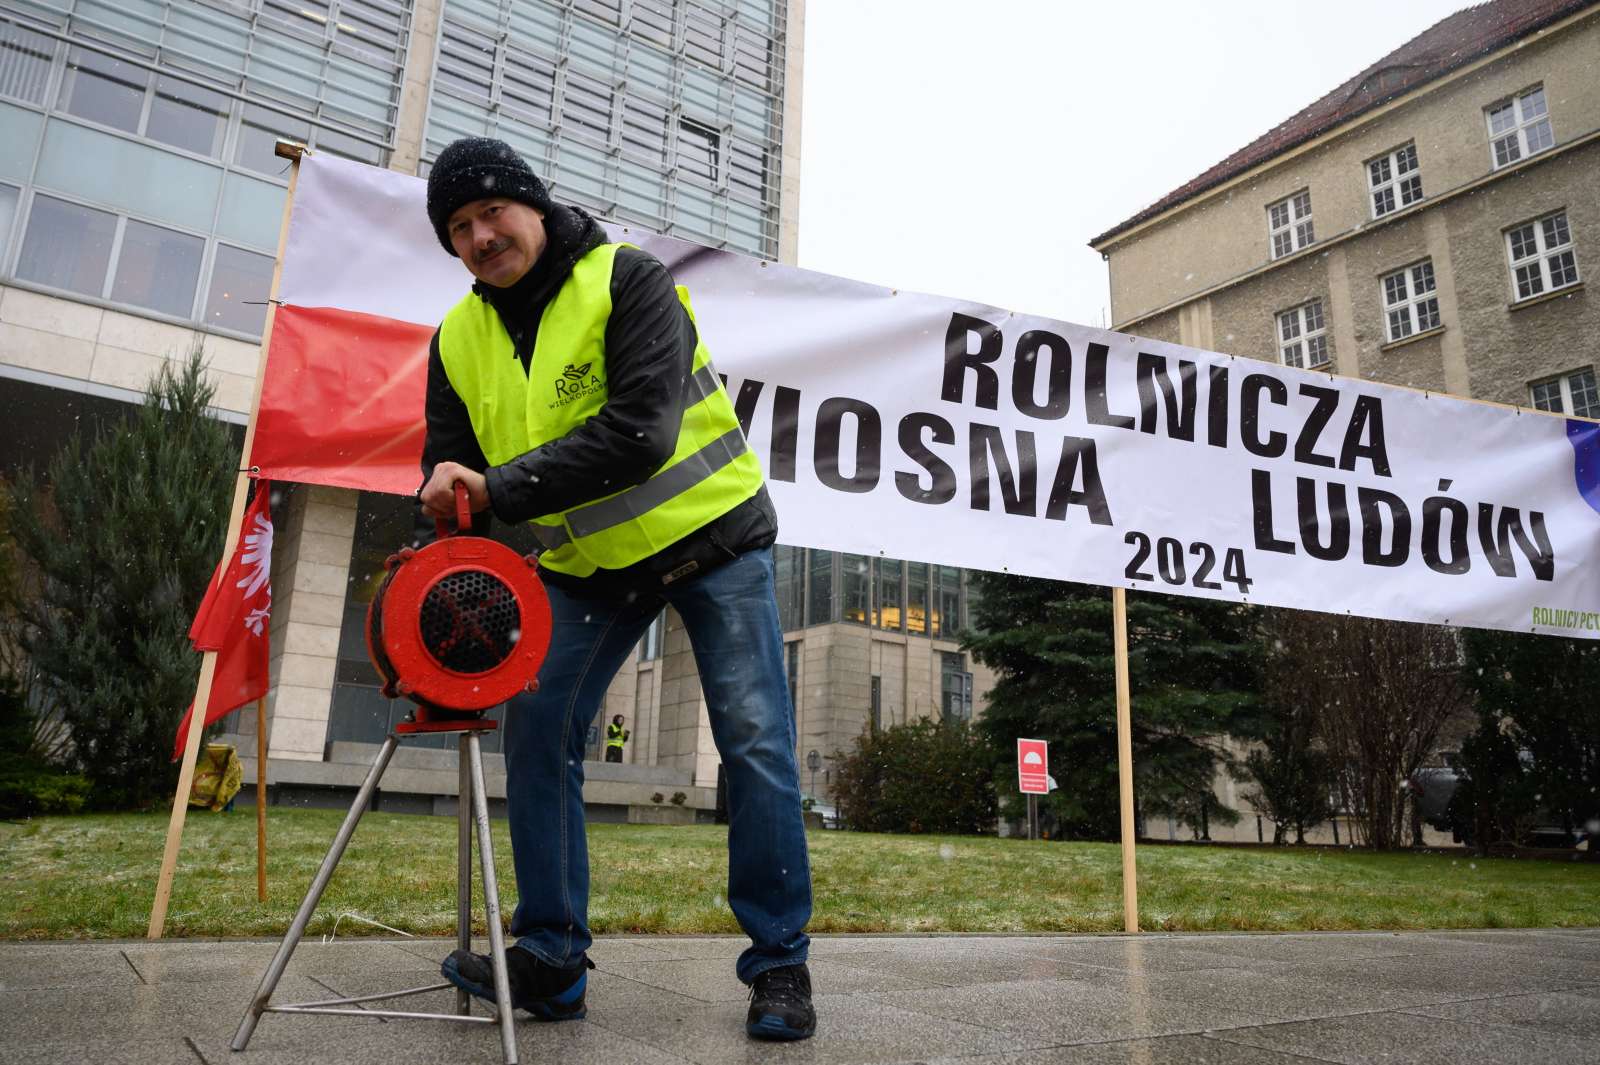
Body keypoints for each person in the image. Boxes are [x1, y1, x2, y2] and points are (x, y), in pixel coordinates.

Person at [415, 137, 815, 1041]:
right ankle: (552, 960)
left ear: (536, 205)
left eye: (492, 214)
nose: (480, 238)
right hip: (588, 568)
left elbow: (640, 433)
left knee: (754, 744)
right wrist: (433, 559)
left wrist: (498, 490)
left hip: (712, 537)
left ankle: (781, 965)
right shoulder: (456, 339)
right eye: (459, 228)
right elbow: (449, 481)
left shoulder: (628, 280)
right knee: (539, 726)